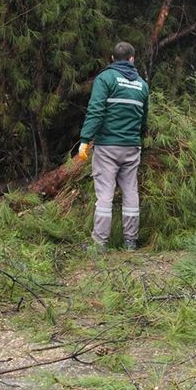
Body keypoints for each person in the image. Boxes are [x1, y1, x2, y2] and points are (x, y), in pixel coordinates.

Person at [78, 41, 150, 252]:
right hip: (132, 147)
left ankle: (99, 243)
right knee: (130, 192)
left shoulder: (106, 78)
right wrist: (136, 138)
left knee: (105, 195)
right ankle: (130, 242)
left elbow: (96, 110)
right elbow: (143, 120)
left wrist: (85, 140)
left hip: (107, 147)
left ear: (112, 59)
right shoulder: (142, 85)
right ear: (132, 59)